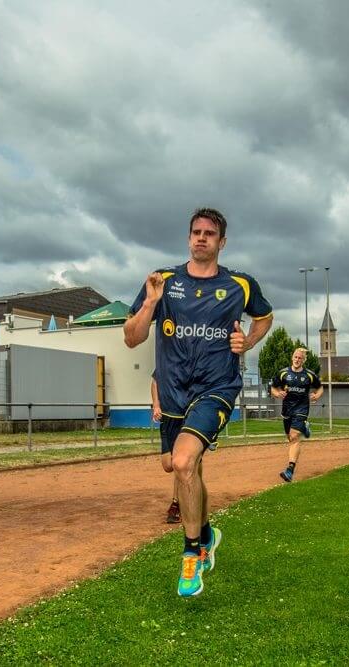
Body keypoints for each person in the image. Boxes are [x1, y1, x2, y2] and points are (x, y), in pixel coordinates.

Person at [123, 208, 273, 597]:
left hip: (217, 386)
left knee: (185, 461)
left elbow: (265, 318)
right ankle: (206, 533)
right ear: (188, 237)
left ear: (221, 242)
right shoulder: (163, 281)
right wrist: (150, 305)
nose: (201, 238)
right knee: (178, 466)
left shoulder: (240, 284)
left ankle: (192, 556)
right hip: (173, 393)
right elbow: (131, 338)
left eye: (209, 233)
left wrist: (248, 342)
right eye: (196, 232)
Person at [270, 347, 323, 482]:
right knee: (290, 437)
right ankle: (304, 427)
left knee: (294, 437)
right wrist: (278, 393)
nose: (297, 360)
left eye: (300, 358)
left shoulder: (309, 375)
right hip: (287, 410)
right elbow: (273, 388)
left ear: (303, 360)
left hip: (302, 409)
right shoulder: (283, 373)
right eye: (295, 357)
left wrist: (316, 395)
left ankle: (290, 470)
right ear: (292, 357)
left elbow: (320, 387)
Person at [152, 377, 181, 524]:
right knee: (168, 466)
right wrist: (156, 405)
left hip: (184, 418)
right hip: (167, 419)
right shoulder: (167, 360)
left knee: (178, 463)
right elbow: (156, 381)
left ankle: (176, 504)